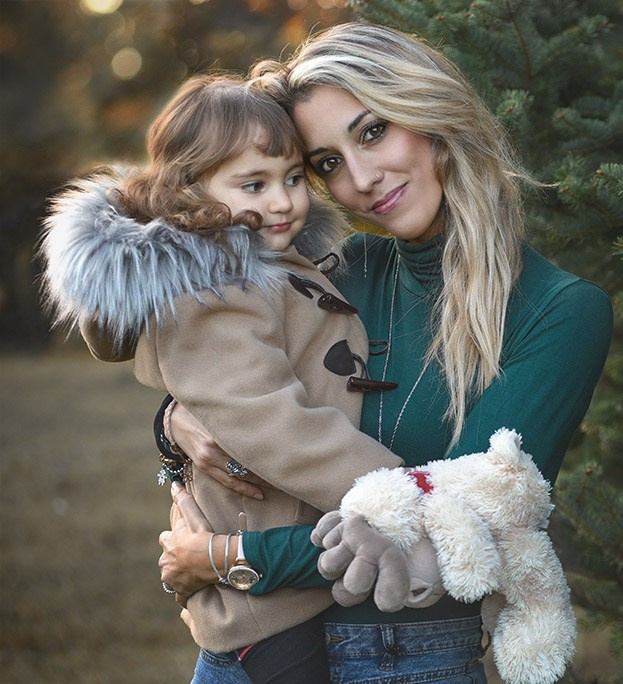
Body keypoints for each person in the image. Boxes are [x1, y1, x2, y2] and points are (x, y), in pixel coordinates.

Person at [157, 22, 614, 684]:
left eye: (373, 131)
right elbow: (228, 373)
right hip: (244, 654)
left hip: (406, 659)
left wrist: (230, 557)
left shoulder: (560, 312)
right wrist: (175, 421)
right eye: (329, 164)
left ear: (429, 113)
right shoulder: (340, 273)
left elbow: (455, 528)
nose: (361, 179)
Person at [37, 74, 422, 683]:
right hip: (263, 606)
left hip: (291, 570)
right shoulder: (217, 288)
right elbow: (268, 420)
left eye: (294, 178)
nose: (282, 202)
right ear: (192, 189)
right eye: (254, 184)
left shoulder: (265, 265)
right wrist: (394, 489)